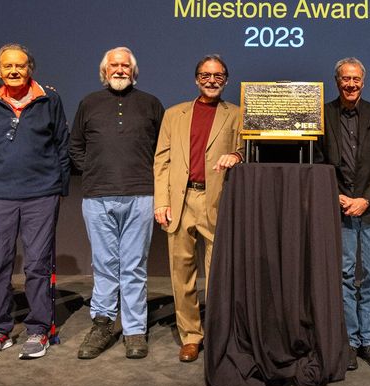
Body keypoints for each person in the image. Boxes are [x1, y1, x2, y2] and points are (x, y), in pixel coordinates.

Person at [0, 44, 70, 360]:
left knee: (38, 263)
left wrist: (57, 188)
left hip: (41, 195)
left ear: (31, 68)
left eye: (21, 65)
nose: (14, 71)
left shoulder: (49, 100)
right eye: (8, 66)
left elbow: (62, 146)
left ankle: (39, 330)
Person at [71, 47, 164, 360]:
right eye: (114, 65)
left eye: (126, 65)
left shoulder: (151, 104)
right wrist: (97, 170)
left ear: (134, 71)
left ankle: (135, 329)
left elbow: (161, 151)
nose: (120, 70)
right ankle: (103, 324)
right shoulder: (88, 103)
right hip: (97, 198)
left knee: (134, 266)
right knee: (105, 265)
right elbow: (75, 147)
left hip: (141, 195)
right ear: (104, 71)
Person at [154, 54, 243, 362]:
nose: (211, 80)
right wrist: (161, 201)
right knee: (182, 275)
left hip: (217, 201)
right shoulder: (174, 114)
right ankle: (191, 336)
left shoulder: (236, 114)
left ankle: (219, 333)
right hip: (180, 201)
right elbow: (162, 160)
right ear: (196, 79)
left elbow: (246, 147)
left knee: (218, 274)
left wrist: (237, 155)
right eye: (205, 75)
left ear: (226, 80)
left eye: (218, 75)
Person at [315, 58, 370, 371]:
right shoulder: (322, 114)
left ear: (364, 81)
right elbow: (317, 160)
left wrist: (366, 199)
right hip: (339, 209)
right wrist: (337, 195)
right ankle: (349, 340)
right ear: (337, 81)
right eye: (345, 79)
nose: (350, 84)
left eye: (356, 79)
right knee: (344, 276)